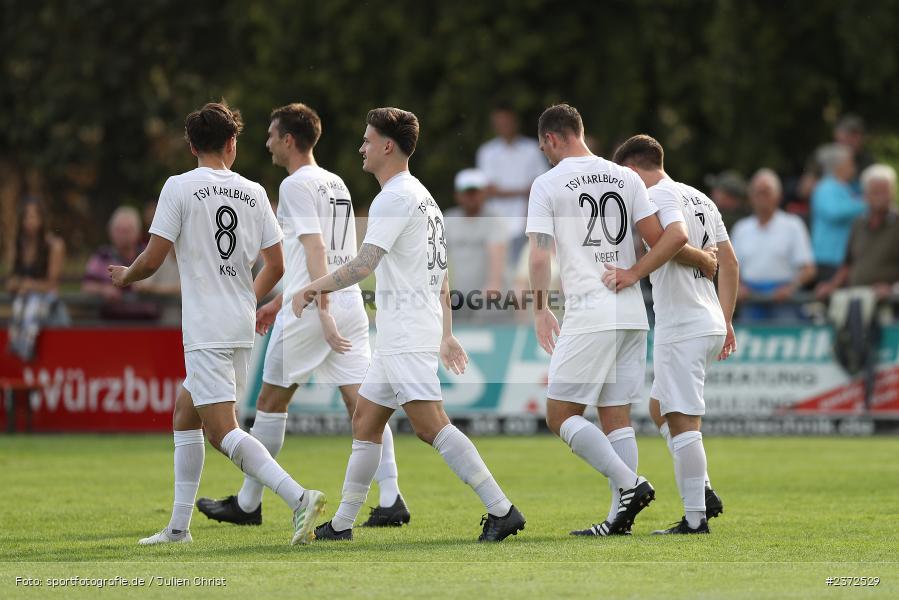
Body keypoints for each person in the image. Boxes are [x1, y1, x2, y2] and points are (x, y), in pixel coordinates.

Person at [293, 107, 525, 542]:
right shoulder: (423, 196)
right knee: (365, 419)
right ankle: (341, 525)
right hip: (406, 329)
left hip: (404, 330)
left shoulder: (395, 197)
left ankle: (502, 509)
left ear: (386, 145)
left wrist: (311, 288)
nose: (361, 147)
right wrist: (447, 332)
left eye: (366, 139)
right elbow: (441, 273)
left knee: (429, 425)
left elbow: (364, 264)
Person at [108, 101, 325, 546]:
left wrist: (127, 275)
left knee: (223, 432)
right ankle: (178, 528)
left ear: (191, 146)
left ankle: (299, 497)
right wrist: (247, 296)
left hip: (206, 327)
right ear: (232, 144)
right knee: (184, 415)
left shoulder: (179, 187)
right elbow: (277, 264)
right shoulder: (255, 191)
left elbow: (153, 257)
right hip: (240, 324)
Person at [196, 102, 410, 528]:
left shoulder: (295, 186)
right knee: (364, 407)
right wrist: (279, 301)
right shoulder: (337, 183)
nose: (267, 142)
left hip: (315, 308)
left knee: (271, 402)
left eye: (273, 134)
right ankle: (391, 498)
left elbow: (315, 250)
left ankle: (249, 502)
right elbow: (330, 253)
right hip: (344, 301)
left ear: (289, 139)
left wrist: (320, 310)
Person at [526, 104, 688, 537]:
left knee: (560, 414)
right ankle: (620, 520)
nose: (546, 152)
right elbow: (660, 240)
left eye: (544, 145)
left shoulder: (547, 183)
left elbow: (540, 252)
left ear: (553, 138)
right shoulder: (628, 177)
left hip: (590, 310)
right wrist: (635, 273)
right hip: (632, 310)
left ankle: (630, 485)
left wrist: (540, 308)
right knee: (616, 416)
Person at [613, 134, 740, 534]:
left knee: (684, 420)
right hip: (708, 321)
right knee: (660, 407)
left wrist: (634, 272)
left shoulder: (660, 196)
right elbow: (731, 263)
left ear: (634, 170)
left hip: (683, 324)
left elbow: (675, 238)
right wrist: (726, 318)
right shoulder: (701, 197)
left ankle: (695, 517)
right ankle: (702, 490)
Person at [731, 169, 816, 321]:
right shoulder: (741, 229)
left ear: (778, 196)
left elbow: (808, 269)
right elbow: (731, 269)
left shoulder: (793, 225)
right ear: (751, 196)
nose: (762, 197)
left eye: (767, 192)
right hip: (751, 300)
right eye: (758, 192)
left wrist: (791, 288)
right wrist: (738, 288)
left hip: (785, 301)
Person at [476, 103, 548, 266]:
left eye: (506, 122)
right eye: (499, 123)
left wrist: (503, 191)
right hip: (496, 220)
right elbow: (488, 190)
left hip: (525, 220)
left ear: (515, 122)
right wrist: (524, 190)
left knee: (522, 269)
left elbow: (541, 186)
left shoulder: (531, 149)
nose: (503, 127)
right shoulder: (487, 152)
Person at [815, 164, 899, 301]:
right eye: (875, 192)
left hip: (891, 304)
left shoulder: (896, 223)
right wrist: (831, 286)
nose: (881, 197)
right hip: (857, 299)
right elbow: (848, 263)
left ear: (893, 192)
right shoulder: (858, 223)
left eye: (885, 191)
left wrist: (893, 289)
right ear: (865, 195)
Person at [6, 198, 67, 361]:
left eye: (34, 216)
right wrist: (18, 284)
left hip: (46, 302)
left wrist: (29, 285)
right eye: (26, 217)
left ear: (42, 219)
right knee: (20, 304)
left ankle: (26, 350)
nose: (30, 222)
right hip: (22, 300)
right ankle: (17, 348)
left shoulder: (54, 245)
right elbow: (12, 279)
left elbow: (52, 283)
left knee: (32, 305)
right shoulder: (18, 245)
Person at [444, 168, 507, 322]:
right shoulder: (447, 220)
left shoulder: (494, 220)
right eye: (467, 192)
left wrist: (494, 283)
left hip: (485, 299)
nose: (471, 197)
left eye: (475, 192)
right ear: (457, 195)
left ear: (484, 194)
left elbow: (496, 253)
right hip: (456, 297)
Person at [811, 143, 866, 282]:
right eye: (850, 162)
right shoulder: (826, 187)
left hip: (841, 257)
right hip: (828, 257)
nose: (853, 166)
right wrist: (866, 203)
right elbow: (834, 212)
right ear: (839, 165)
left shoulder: (845, 187)